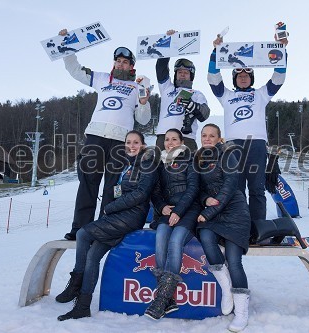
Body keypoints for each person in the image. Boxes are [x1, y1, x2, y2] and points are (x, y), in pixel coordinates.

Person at [58, 28, 152, 241]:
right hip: (96, 136)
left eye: (125, 62)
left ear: (131, 66)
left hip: (121, 141)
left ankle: (105, 227)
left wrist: (145, 103)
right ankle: (80, 229)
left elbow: (144, 119)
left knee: (112, 186)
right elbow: (74, 69)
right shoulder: (101, 78)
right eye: (118, 61)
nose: (121, 64)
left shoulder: (137, 86)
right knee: (88, 183)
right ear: (114, 63)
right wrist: (66, 46)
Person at [55, 130, 158, 321]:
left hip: (132, 215)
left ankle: (76, 281)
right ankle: (83, 305)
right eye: (128, 142)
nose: (132, 146)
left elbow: (141, 195)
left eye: (136, 142)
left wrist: (110, 208)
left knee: (84, 234)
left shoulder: (146, 164)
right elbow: (118, 191)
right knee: (93, 255)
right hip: (120, 215)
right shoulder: (125, 166)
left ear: (142, 145)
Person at [207, 24, 288, 226]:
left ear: (251, 78)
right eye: (239, 75)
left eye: (246, 75)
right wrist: (215, 52)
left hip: (256, 145)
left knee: (257, 189)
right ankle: (240, 225)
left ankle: (258, 226)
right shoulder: (227, 96)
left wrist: (281, 51)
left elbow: (278, 77)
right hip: (233, 146)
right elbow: (212, 77)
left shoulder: (261, 94)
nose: (243, 77)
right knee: (236, 189)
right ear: (235, 78)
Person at [195, 124, 251, 332]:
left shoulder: (228, 155)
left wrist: (208, 212)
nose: (207, 139)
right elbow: (198, 190)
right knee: (206, 236)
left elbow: (228, 190)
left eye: (212, 136)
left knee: (234, 260)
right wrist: (205, 198)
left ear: (219, 139)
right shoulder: (199, 159)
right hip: (214, 212)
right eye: (204, 135)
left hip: (234, 211)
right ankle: (226, 288)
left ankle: (242, 313)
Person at [145, 128, 201, 320]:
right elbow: (156, 192)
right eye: (167, 139)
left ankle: (160, 299)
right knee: (161, 237)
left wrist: (178, 211)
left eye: (174, 139)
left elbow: (193, 188)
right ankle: (167, 299)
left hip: (189, 209)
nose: (170, 143)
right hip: (168, 211)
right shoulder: (160, 163)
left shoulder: (191, 159)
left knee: (176, 240)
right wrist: (162, 207)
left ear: (181, 140)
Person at [155, 30, 210, 152]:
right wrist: (167, 41)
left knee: (186, 170)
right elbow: (161, 68)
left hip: (186, 138)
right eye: (180, 72)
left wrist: (194, 107)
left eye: (186, 73)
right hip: (164, 137)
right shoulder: (167, 88)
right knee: (160, 169)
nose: (183, 75)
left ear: (191, 76)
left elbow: (205, 113)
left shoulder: (197, 94)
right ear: (175, 75)